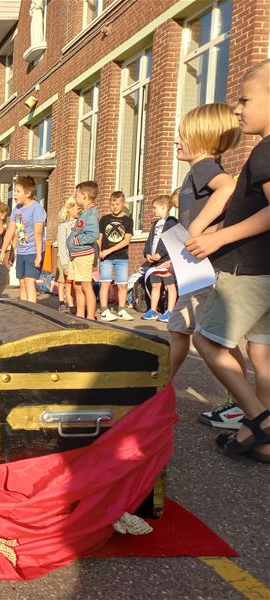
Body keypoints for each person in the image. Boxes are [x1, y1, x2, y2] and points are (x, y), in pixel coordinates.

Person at [186, 59, 270, 463]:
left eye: (245, 100)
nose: (237, 109)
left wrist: (218, 236)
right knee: (262, 354)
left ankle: (260, 420)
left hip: (246, 271)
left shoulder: (266, 150)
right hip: (265, 271)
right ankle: (259, 439)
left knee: (206, 340)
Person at [169, 103, 246, 430]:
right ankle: (158, 391)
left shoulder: (203, 168)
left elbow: (228, 187)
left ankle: (241, 404)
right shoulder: (196, 171)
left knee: (215, 339)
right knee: (178, 329)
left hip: (205, 270)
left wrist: (198, 228)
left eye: (183, 135)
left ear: (203, 139)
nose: (176, 140)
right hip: (195, 269)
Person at [0, 176, 45, 304]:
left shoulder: (37, 209)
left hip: (33, 251)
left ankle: (31, 310)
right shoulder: (17, 210)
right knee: (22, 283)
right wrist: (4, 251)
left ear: (28, 193)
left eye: (18, 191)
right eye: (14, 191)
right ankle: (24, 309)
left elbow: (38, 233)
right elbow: (11, 231)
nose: (14, 194)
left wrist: (38, 255)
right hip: (22, 251)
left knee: (29, 282)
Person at [98, 191, 134, 322]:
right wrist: (100, 252)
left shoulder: (128, 220)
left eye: (117, 204)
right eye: (112, 204)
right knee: (105, 283)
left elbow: (126, 241)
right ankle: (104, 310)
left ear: (123, 203)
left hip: (121, 257)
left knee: (122, 285)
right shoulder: (104, 219)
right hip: (105, 258)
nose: (114, 207)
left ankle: (121, 310)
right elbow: (99, 238)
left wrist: (108, 251)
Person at [65, 181, 100, 320]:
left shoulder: (91, 213)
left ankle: (90, 317)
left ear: (84, 196)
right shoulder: (83, 213)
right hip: (75, 255)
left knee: (86, 285)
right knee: (77, 286)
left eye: (77, 195)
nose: (75, 198)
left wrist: (77, 241)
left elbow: (93, 234)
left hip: (83, 254)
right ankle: (79, 315)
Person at [141, 195, 178, 322]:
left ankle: (170, 311)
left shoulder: (172, 222)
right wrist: (147, 253)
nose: (153, 210)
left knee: (169, 285)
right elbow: (149, 241)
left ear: (164, 207)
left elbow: (172, 241)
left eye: (154, 208)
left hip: (166, 260)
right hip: (154, 261)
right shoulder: (155, 224)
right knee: (155, 285)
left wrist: (161, 254)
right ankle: (153, 310)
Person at [56, 197, 77, 314]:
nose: (78, 210)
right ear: (69, 208)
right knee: (62, 281)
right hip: (63, 258)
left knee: (71, 283)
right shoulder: (63, 226)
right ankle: (61, 303)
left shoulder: (79, 223)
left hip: (74, 259)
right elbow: (61, 244)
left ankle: (72, 303)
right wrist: (64, 264)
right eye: (76, 208)